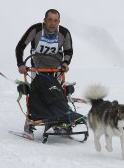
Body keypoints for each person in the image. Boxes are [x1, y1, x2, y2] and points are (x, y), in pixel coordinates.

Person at [15, 9, 81, 137]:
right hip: (37, 69)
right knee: (35, 95)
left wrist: (66, 63)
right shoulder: (35, 30)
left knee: (58, 95)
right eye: (49, 19)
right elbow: (20, 46)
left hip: (56, 69)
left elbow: (68, 51)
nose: (52, 23)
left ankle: (58, 122)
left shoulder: (64, 32)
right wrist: (20, 64)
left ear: (59, 22)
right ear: (44, 20)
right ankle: (29, 123)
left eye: (55, 20)